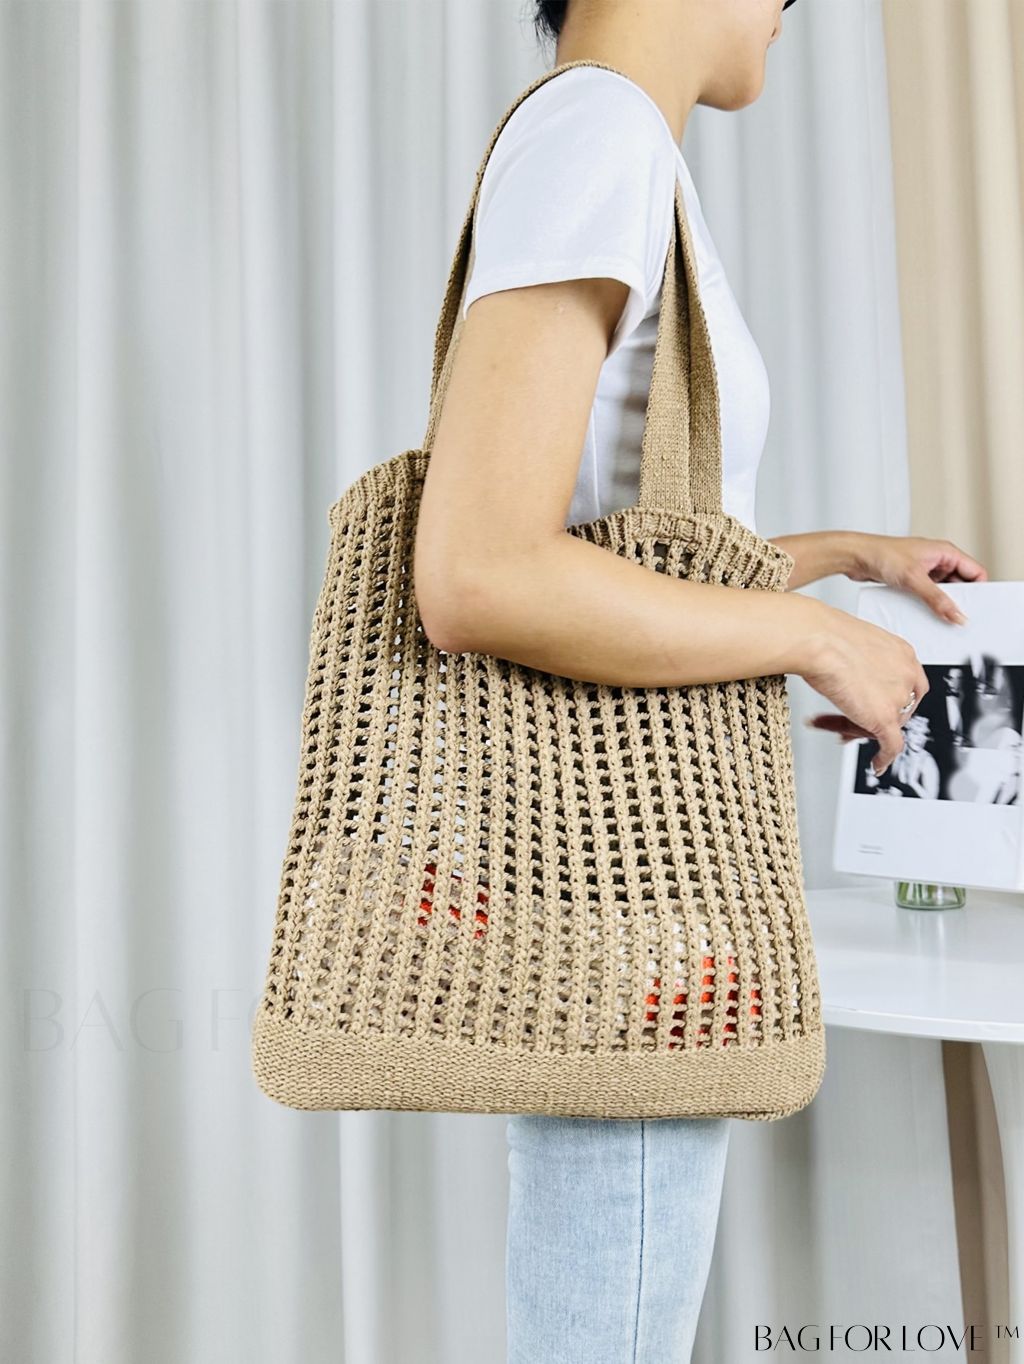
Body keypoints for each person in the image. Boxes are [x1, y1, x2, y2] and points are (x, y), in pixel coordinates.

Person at [412, 0, 988, 1357]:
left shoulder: (614, 142)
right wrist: (814, 639)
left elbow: (615, 548)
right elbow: (478, 574)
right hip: (627, 894)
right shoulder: (600, 134)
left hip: (627, 892)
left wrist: (841, 561)